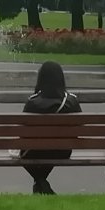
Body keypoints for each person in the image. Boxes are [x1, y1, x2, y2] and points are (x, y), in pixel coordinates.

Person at [19, 59, 81, 194]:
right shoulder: (71, 101)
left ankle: (40, 182)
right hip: (63, 151)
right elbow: (79, 127)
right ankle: (42, 183)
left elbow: (23, 133)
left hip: (35, 151)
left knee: (23, 156)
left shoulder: (32, 102)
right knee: (51, 150)